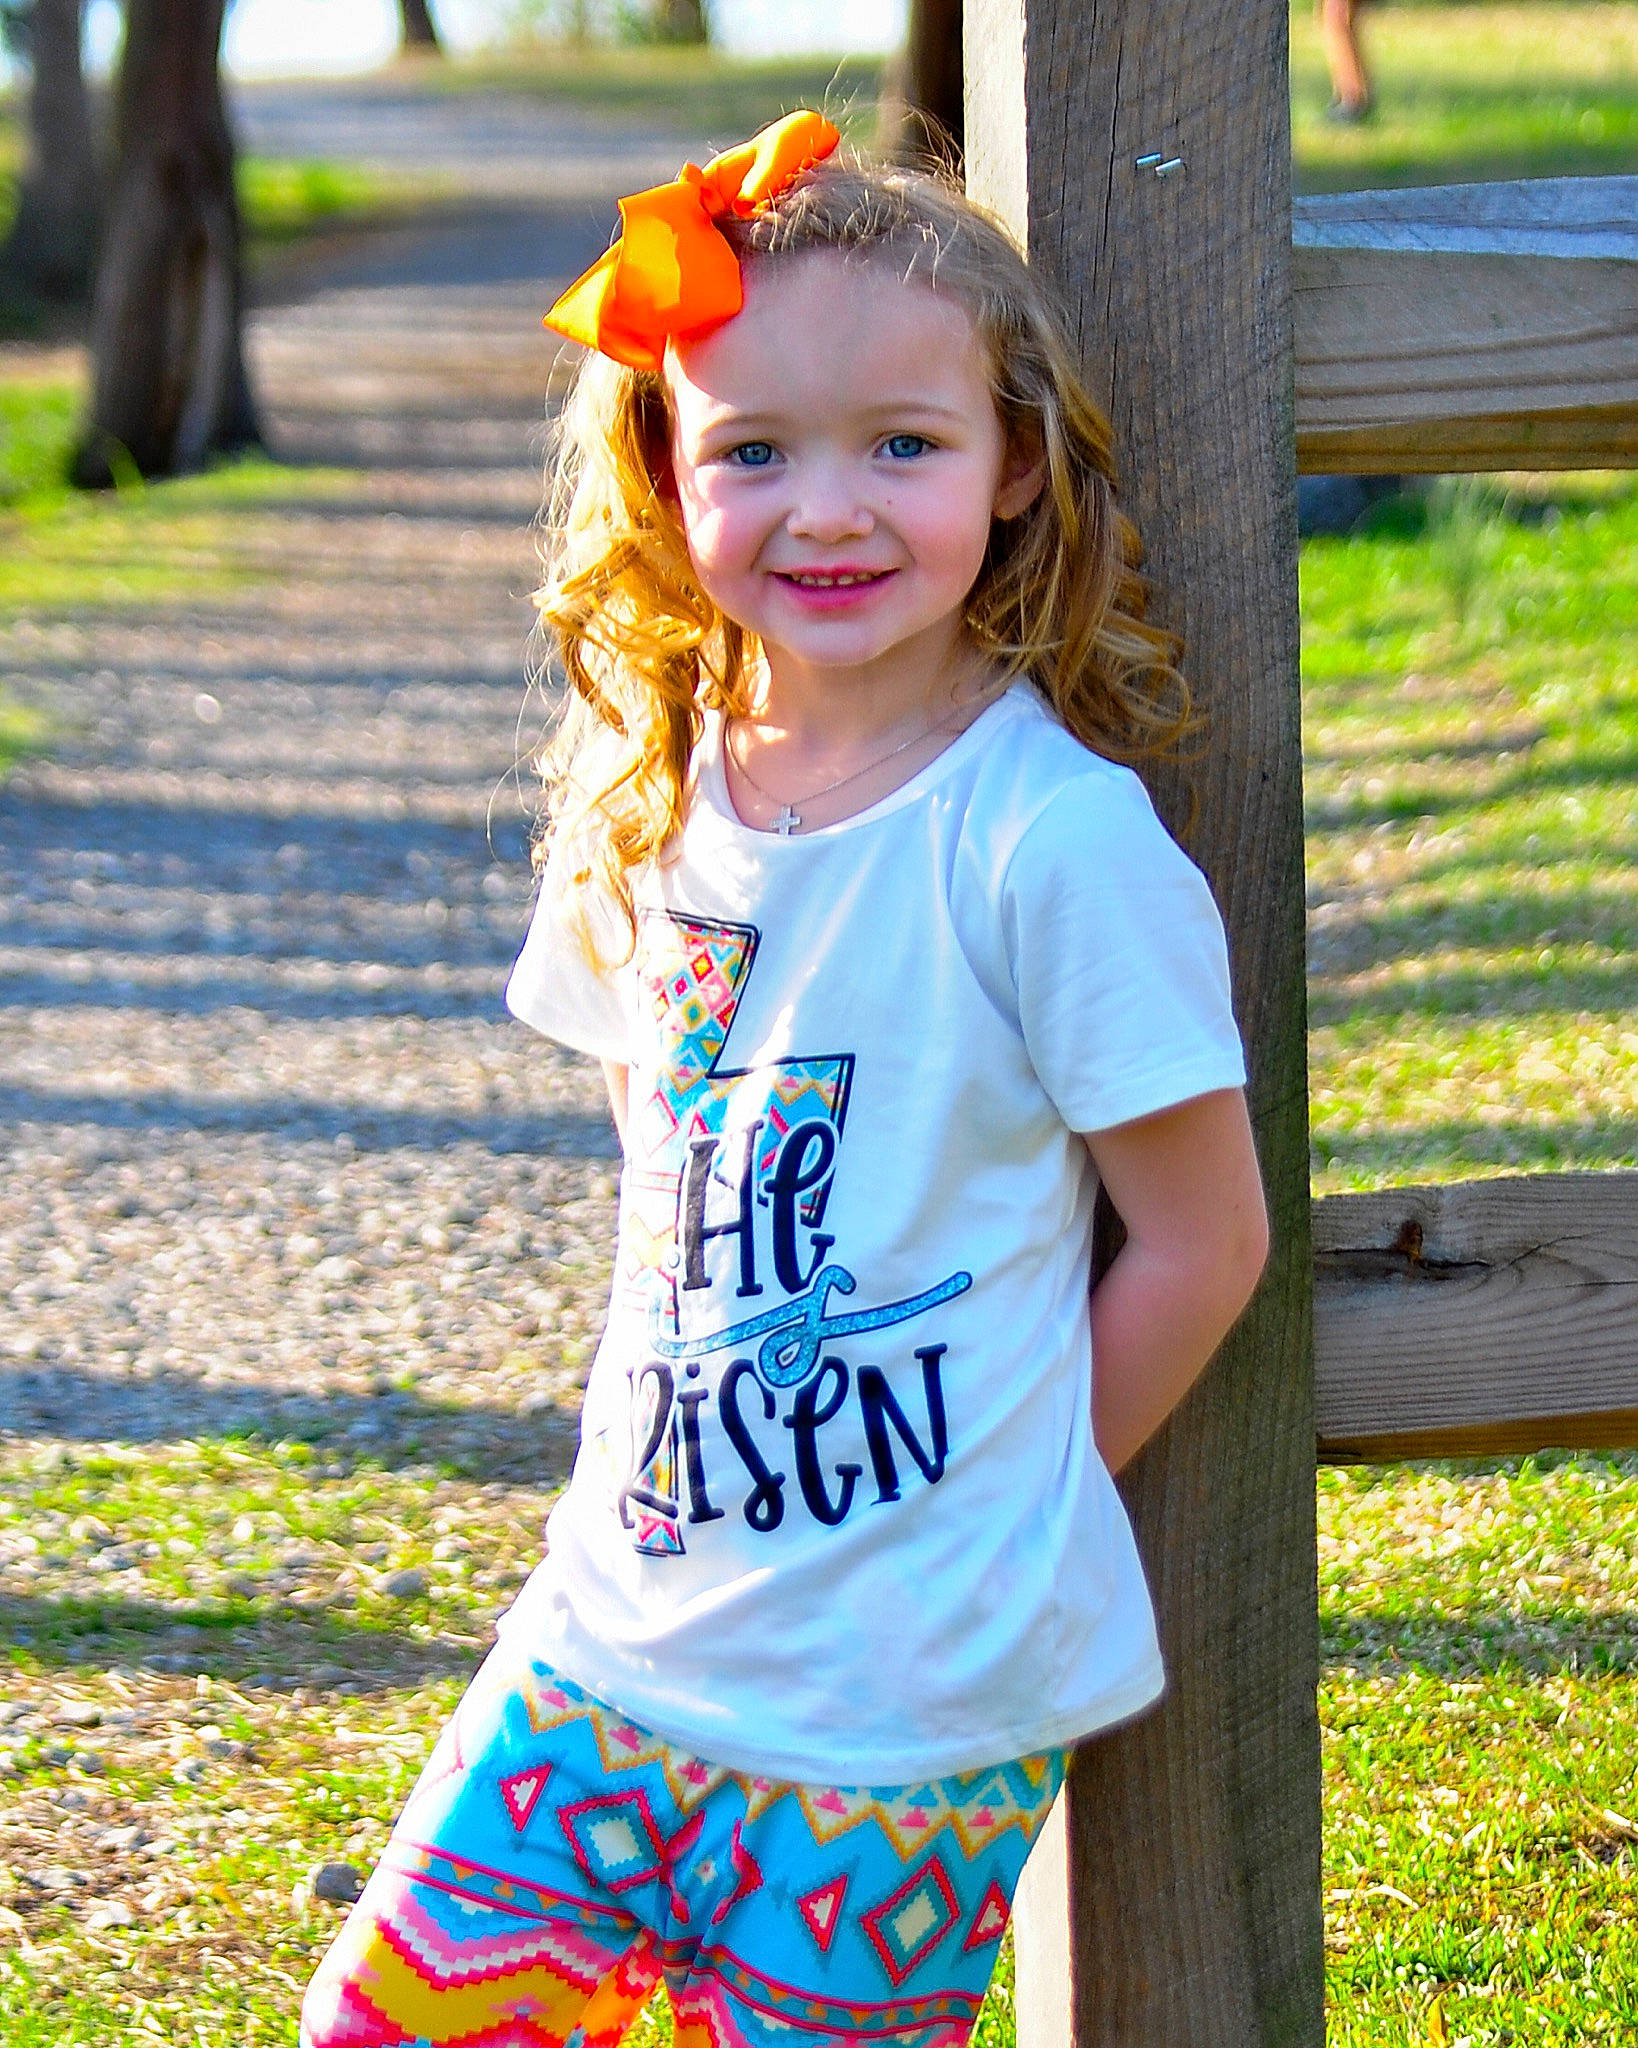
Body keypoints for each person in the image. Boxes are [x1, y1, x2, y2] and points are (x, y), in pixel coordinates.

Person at [300, 111, 1269, 2048]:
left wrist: (1005, 1500)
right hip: (613, 1644)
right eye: (754, 448)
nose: (829, 506)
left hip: (907, 1714)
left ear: (1012, 465)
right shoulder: (653, 803)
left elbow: (1202, 1240)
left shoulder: (1048, 844)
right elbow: (668, 1189)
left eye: (902, 442)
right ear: (669, 476)